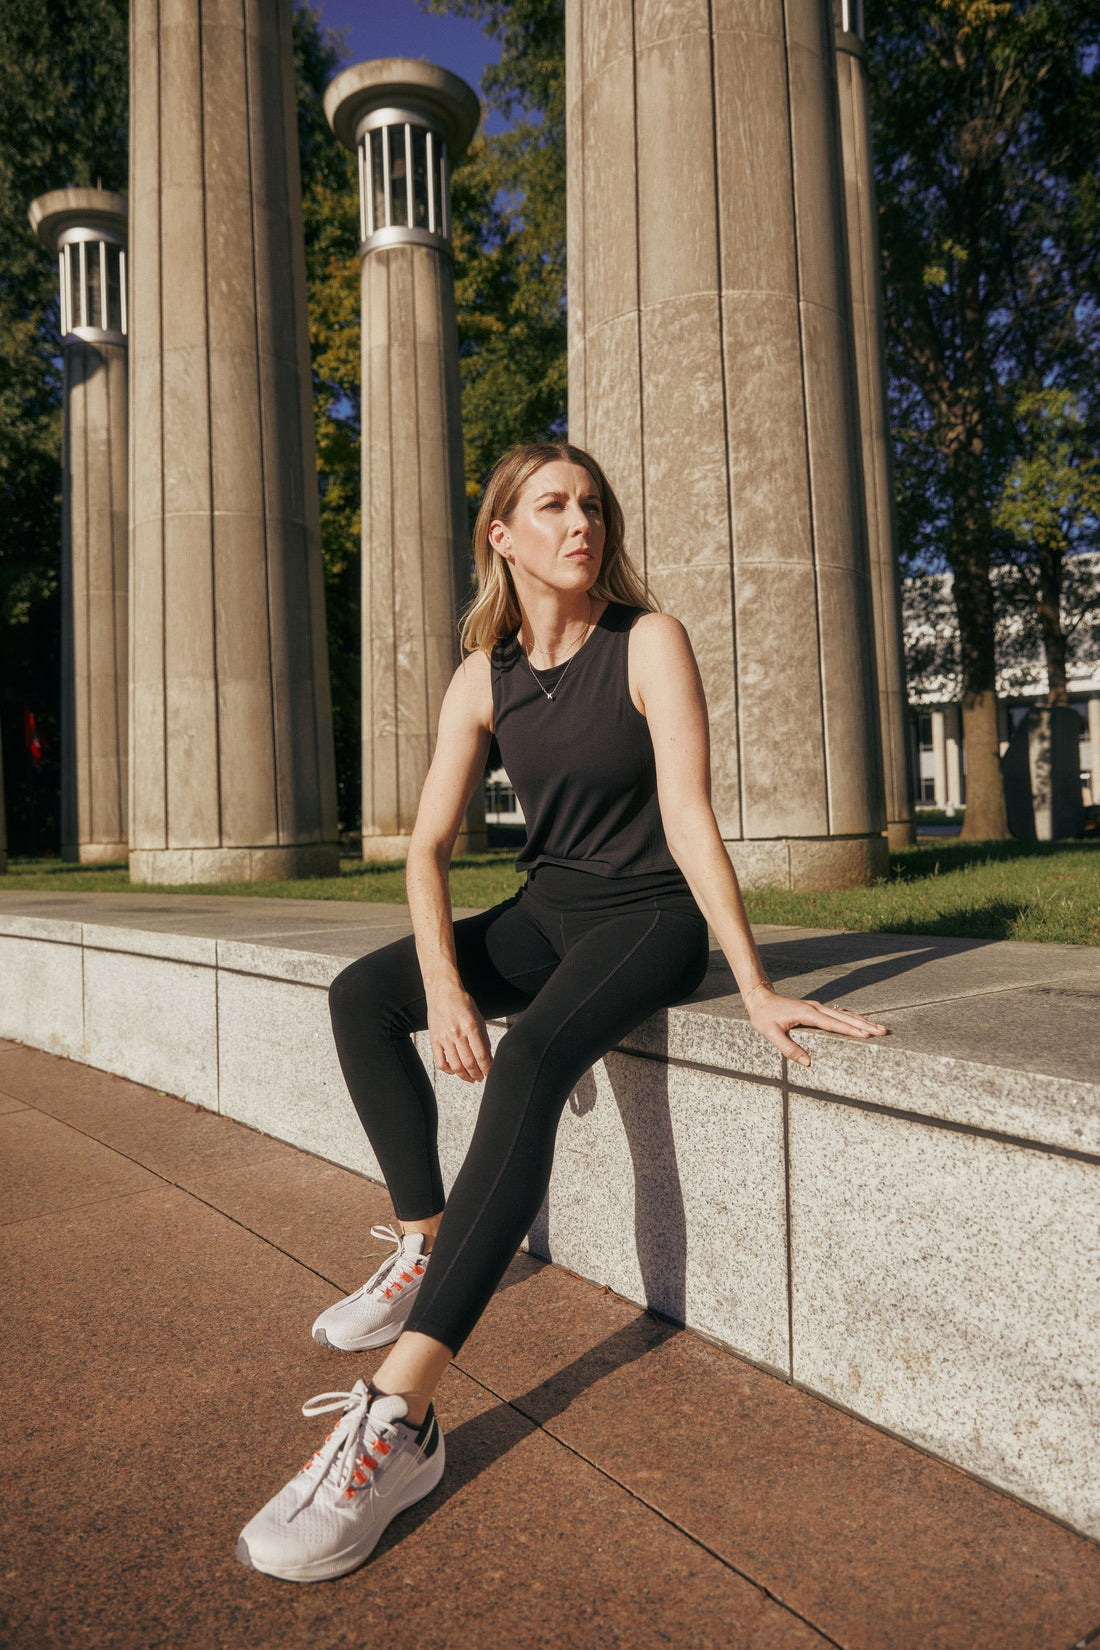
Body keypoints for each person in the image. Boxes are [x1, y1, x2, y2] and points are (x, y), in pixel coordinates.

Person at [236, 442, 888, 1582]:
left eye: (590, 504)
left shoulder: (647, 641)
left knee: (533, 1054)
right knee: (361, 995)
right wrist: (443, 982)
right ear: (502, 536)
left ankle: (399, 1419)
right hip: (549, 912)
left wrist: (751, 981)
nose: (579, 521)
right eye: (551, 505)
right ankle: (426, 1243)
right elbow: (426, 847)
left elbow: (687, 819)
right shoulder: (482, 674)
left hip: (646, 919)